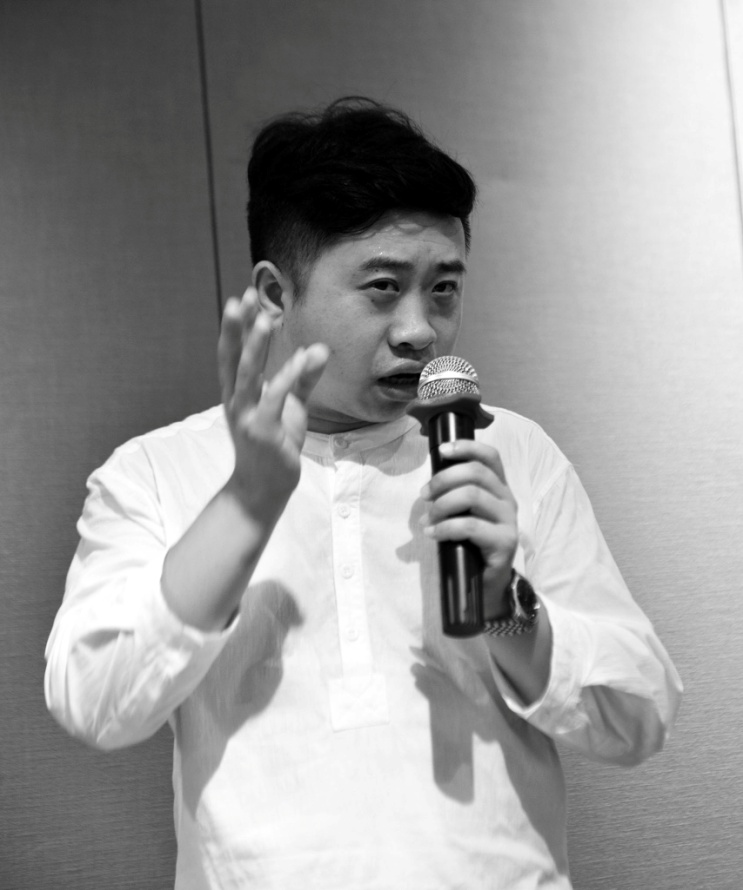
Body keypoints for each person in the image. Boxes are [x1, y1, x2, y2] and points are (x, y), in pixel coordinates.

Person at [45, 97, 682, 889]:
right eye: (383, 288)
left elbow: (637, 712)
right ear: (275, 294)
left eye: (443, 289)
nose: (420, 330)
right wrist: (243, 508)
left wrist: (505, 605)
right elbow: (95, 703)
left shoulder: (509, 453)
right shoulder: (155, 471)